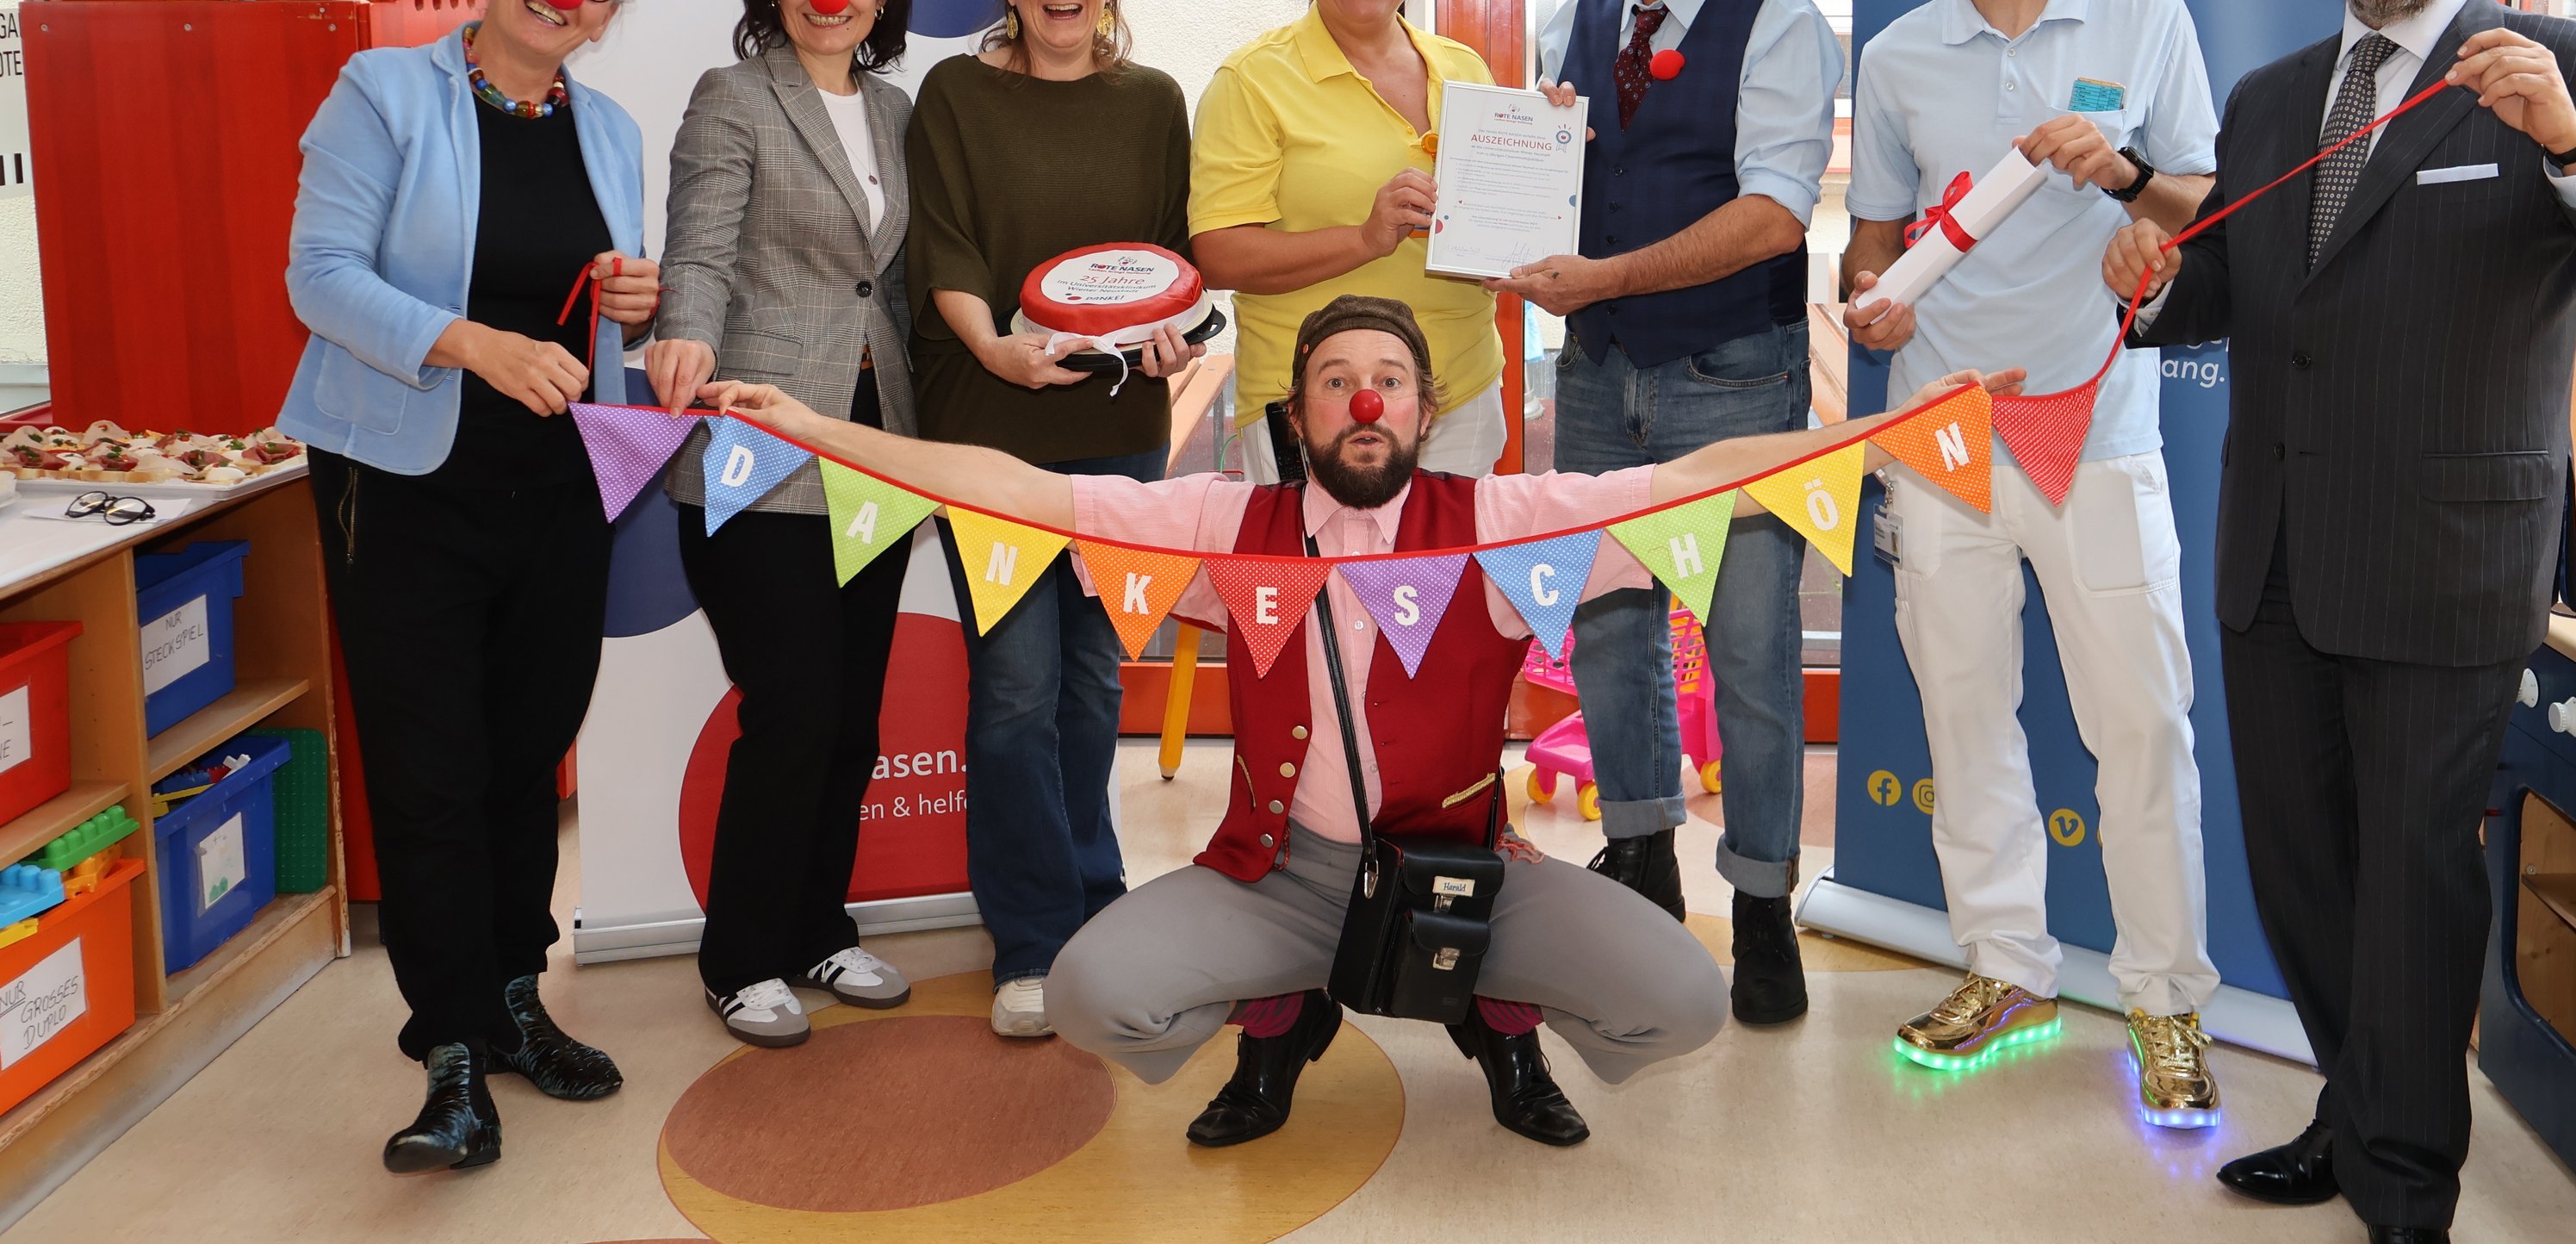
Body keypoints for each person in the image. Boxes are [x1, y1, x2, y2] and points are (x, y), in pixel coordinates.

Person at [699, 295, 2021, 1148]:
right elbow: (1014, 487)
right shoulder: (1226, 522)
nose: (1366, 402)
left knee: (1679, 1004)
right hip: (1281, 874)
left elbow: (1702, 475)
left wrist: (1896, 430)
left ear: (1428, 411)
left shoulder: (1503, 518)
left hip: (1466, 871)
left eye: (1389, 379)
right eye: (1336, 381)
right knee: (1096, 995)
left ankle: (1490, 1010)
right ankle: (1287, 1012)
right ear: (1298, 416)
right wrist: (819, 428)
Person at [2101, 0, 2576, 1241]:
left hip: (2447, 558)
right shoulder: (2271, 98)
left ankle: (2405, 1182)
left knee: (2415, 878)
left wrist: (2572, 143)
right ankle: (2356, 1105)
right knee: (2303, 871)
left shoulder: (2564, 68)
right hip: (2277, 553)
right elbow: (2232, 289)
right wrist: (2151, 280)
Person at [1838, 0, 2225, 1121]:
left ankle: (2165, 999)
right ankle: (2005, 967)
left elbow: (2202, 201)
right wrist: (1870, 297)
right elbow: (1872, 244)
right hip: (1941, 428)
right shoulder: (1897, 56)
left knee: (2142, 726)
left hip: (2095, 425)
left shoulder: (2143, 17)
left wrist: (2128, 189)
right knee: (1963, 714)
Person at [280, 0, 667, 1172]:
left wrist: (633, 308)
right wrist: (469, 344)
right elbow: (320, 278)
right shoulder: (383, 92)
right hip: (403, 486)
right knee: (431, 769)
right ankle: (449, 1051)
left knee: (522, 758)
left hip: (559, 492)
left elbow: (604, 313)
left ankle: (513, 999)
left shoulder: (609, 131)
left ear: (608, 15)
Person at [1498, 0, 1843, 1026]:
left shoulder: (1780, 20)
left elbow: (1774, 216)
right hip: (1598, 375)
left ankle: (1759, 905)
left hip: (1732, 378)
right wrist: (1510, 197)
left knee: (1750, 653)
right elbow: (1548, 184)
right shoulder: (1575, 19)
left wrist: (1602, 278)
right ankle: (1642, 857)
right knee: (1608, 635)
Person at [903, 0, 1193, 1039]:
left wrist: (1177, 335)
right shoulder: (956, 93)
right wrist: (996, 351)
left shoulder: (1154, 101)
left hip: (1121, 433)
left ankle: (1095, 905)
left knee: (1091, 683)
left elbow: (1169, 256)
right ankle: (1029, 942)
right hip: (990, 427)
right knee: (1016, 692)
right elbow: (944, 246)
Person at [643, 0, 922, 1048]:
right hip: (755, 443)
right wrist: (684, 335)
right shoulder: (735, 97)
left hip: (874, 447)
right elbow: (700, 252)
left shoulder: (899, 112)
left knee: (851, 715)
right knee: (795, 706)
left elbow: (895, 283)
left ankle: (818, 927)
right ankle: (742, 956)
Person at [1189, 0, 1505, 482]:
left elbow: (1495, 228)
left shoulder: (1463, 68)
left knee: (1450, 551)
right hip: (1314, 400)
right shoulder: (1252, 80)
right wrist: (1364, 238)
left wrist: (1550, 151)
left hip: (1458, 392)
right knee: (1317, 554)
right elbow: (1219, 256)